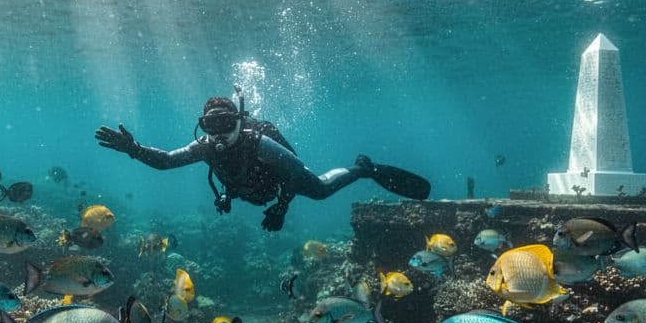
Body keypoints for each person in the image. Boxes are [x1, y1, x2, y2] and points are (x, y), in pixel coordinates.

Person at [95, 91, 430, 231]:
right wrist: (134, 149)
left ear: (239, 120)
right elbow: (168, 160)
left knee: (322, 189)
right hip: (248, 190)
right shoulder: (207, 146)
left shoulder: (261, 143)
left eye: (225, 123)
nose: (219, 133)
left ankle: (363, 168)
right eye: (211, 125)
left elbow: (295, 173)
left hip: (283, 182)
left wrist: (283, 207)